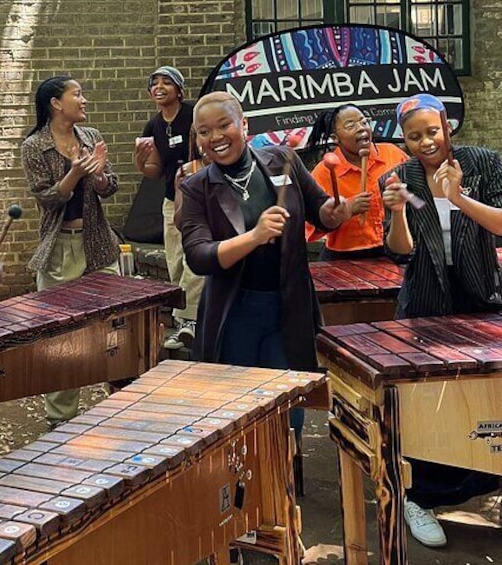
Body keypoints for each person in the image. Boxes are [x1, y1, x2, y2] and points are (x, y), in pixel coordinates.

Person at [178, 91, 352, 443]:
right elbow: (199, 256)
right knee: (237, 407)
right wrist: (255, 236)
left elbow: (320, 210)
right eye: (204, 131)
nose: (215, 137)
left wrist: (334, 213)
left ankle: (286, 484)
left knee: (288, 407)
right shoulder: (197, 188)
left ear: (244, 124)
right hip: (235, 311)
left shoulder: (282, 160)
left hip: (288, 306)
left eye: (224, 125)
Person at [381, 93, 502, 548]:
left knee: (487, 399)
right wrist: (396, 212)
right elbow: (399, 251)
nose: (426, 142)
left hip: (481, 298)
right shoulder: (400, 178)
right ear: (405, 140)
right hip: (425, 303)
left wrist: (456, 197)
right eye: (415, 136)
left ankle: (489, 485)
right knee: (426, 405)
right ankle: (420, 498)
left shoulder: (483, 163)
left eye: (432, 131)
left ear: (447, 126)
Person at [21, 75, 120, 428]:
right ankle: (61, 419)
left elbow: (110, 187)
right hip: (61, 247)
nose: (84, 99)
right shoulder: (35, 146)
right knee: (61, 337)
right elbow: (47, 200)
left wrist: (97, 177)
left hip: (99, 245)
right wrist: (74, 174)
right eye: (77, 94)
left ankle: (122, 402)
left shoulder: (90, 137)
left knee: (115, 327)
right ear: (56, 103)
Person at [133, 66, 203, 350]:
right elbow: (154, 169)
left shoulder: (193, 115)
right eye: (154, 84)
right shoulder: (154, 126)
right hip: (171, 199)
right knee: (175, 261)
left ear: (179, 89)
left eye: (166, 82)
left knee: (194, 259)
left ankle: (189, 321)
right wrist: (139, 162)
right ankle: (186, 318)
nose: (159, 87)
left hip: (198, 195)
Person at [306, 103, 409, 260]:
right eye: (350, 125)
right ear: (335, 137)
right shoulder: (324, 172)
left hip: (395, 252)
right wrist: (344, 212)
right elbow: (308, 228)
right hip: (345, 258)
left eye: (364, 122)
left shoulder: (393, 154)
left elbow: (420, 198)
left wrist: (403, 198)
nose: (361, 128)